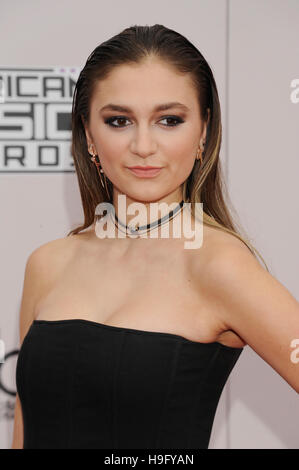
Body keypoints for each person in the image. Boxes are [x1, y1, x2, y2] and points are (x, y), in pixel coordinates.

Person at [12, 24, 299, 449]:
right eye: (119, 120)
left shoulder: (218, 265)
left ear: (203, 132)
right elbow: (24, 433)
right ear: (89, 135)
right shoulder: (48, 263)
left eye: (169, 120)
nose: (143, 145)